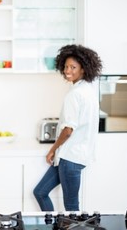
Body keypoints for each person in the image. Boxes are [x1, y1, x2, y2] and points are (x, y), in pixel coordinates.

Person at [33, 44, 102, 211]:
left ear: (83, 69)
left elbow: (68, 130)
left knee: (71, 207)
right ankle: (51, 225)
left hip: (71, 158)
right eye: (66, 66)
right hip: (73, 156)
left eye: (73, 67)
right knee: (40, 192)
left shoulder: (75, 94)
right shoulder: (88, 90)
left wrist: (52, 149)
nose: (67, 70)